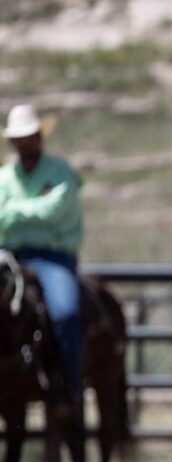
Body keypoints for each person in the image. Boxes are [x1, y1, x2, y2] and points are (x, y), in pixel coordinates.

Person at [0, 103, 84, 412]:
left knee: (64, 311)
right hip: (9, 256)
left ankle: (68, 384)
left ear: (39, 136)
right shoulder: (4, 177)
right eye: (18, 139)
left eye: (28, 137)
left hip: (52, 257)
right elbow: (37, 212)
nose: (24, 144)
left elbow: (55, 211)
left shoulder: (61, 173)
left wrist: (12, 212)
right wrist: (34, 208)